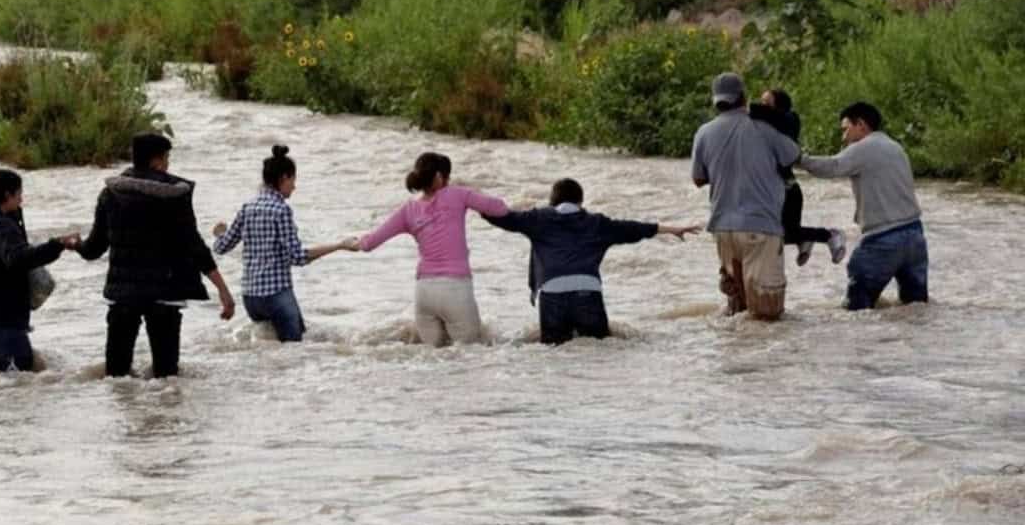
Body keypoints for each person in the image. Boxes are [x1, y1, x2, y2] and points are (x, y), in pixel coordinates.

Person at [77, 133, 235, 378]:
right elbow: (195, 247)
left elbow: (94, 248)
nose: (168, 164)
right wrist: (223, 290)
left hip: (123, 297)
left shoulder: (110, 194)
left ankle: (118, 417)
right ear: (156, 162)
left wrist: (74, 245)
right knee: (167, 378)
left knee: (116, 377)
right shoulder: (175, 196)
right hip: (165, 296)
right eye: (166, 158)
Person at [484, 178, 699, 345]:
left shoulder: (538, 218)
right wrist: (672, 229)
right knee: (598, 347)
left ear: (552, 201)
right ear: (580, 201)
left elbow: (505, 218)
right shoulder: (597, 223)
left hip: (552, 293)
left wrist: (472, 204)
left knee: (554, 351)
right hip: (588, 291)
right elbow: (633, 228)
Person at [354, 152, 509, 347]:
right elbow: (500, 208)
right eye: (448, 176)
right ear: (439, 177)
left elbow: (369, 243)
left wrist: (350, 243)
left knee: (432, 361)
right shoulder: (458, 194)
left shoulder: (408, 209)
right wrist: (474, 192)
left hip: (424, 292)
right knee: (470, 358)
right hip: (455, 289)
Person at [212, 145, 354, 342]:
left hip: (250, 298)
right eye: (293, 180)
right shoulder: (281, 210)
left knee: (273, 352)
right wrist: (339, 245)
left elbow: (220, 247)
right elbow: (298, 257)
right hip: (276, 295)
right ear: (284, 178)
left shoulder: (247, 207)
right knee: (295, 350)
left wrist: (220, 233)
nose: (294, 187)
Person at [691, 72, 801, 320]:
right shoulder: (764, 128)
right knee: (767, 316)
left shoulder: (704, 133)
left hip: (723, 230)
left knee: (736, 311)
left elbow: (698, 179)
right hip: (761, 228)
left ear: (716, 101)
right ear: (743, 96)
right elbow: (792, 155)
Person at [798, 102, 928, 310]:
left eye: (845, 129)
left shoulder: (863, 148)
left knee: (856, 308)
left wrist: (798, 158)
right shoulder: (896, 147)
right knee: (915, 306)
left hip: (883, 239)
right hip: (915, 236)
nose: (844, 137)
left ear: (861, 125)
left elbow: (832, 167)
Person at [0, 169, 80, 372]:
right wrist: (58, 244)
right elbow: (19, 259)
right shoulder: (2, 226)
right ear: (7, 195)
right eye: (19, 193)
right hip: (0, 320)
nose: (22, 199)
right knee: (20, 379)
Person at [750, 89, 846, 266]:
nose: (761, 107)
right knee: (775, 235)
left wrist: (744, 109)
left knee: (780, 235)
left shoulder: (788, 121)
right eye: (760, 102)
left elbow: (765, 114)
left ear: (779, 107)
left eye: (766, 103)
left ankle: (830, 235)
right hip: (781, 191)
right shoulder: (767, 125)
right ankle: (804, 239)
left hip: (788, 192)